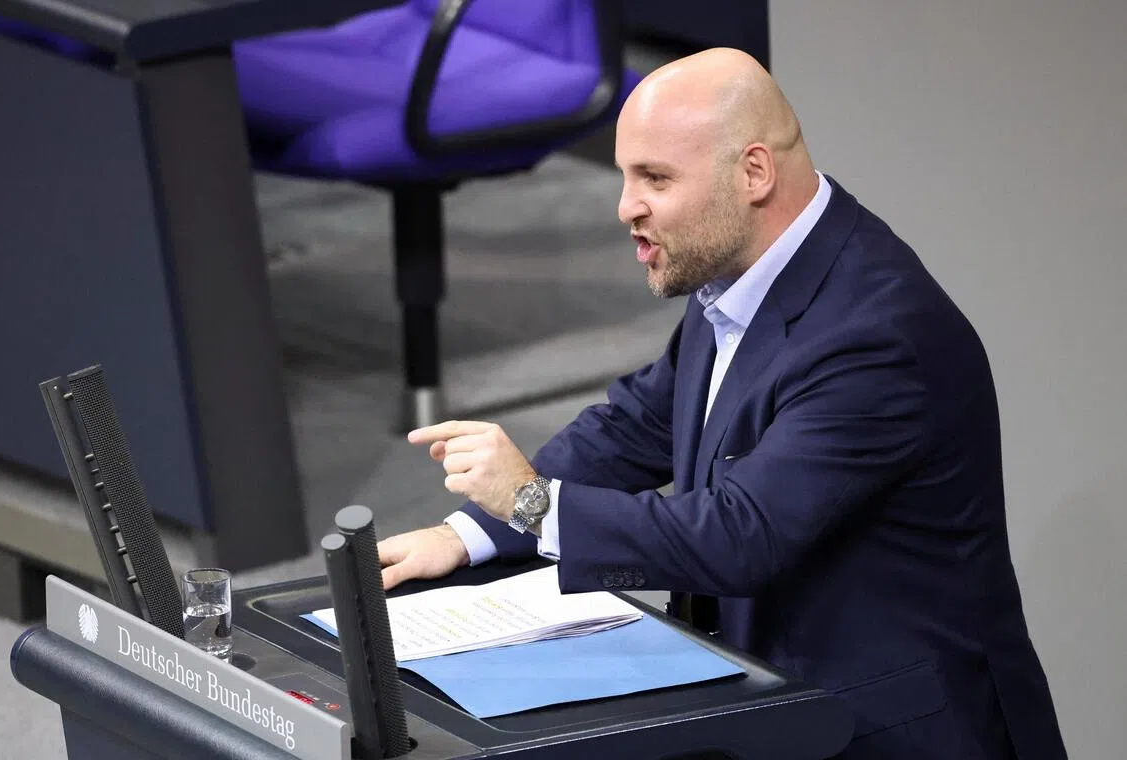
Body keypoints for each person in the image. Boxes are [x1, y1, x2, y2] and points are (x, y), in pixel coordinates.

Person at [377, 48, 1067, 759]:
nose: (625, 208)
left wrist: (531, 501)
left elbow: (741, 534)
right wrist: (468, 533)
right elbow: (634, 424)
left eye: (655, 178)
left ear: (754, 174)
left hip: (889, 734)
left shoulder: (877, 337)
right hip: (772, 702)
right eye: (623, 176)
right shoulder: (741, 278)